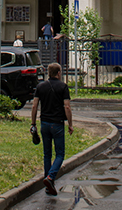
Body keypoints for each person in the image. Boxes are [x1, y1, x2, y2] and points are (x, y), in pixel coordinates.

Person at [29, 61, 73, 196]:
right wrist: (70, 124)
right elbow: (67, 107)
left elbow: (34, 106)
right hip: (57, 123)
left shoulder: (41, 87)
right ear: (58, 73)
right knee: (60, 154)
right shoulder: (63, 87)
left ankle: (48, 185)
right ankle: (50, 177)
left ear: (49, 73)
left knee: (47, 154)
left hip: (44, 123)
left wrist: (33, 123)